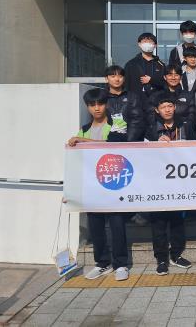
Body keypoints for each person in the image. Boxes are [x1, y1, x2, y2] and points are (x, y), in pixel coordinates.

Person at [67, 88, 129, 281]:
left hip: (114, 182)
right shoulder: (84, 129)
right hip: (92, 186)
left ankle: (121, 264)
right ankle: (102, 263)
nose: (96, 108)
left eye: (100, 103)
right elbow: (77, 162)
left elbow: (113, 144)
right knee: (95, 226)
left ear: (106, 104)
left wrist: (81, 140)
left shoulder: (118, 123)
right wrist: (71, 190)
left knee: (117, 224)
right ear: (87, 107)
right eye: (92, 105)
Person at [145, 93, 192, 275]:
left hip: (180, 181)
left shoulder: (185, 125)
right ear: (157, 110)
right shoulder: (150, 129)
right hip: (157, 182)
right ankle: (161, 259)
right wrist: (156, 143)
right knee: (158, 222)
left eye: (170, 106)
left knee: (177, 221)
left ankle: (176, 255)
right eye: (163, 106)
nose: (167, 109)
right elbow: (142, 152)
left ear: (175, 107)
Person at [147, 64, 196, 140]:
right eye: (170, 75)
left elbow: (192, 117)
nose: (173, 78)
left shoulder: (188, 95)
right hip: (162, 135)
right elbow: (151, 117)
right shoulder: (155, 95)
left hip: (183, 134)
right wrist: (159, 134)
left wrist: (183, 128)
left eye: (176, 75)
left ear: (181, 77)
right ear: (165, 77)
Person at [104, 65, 145, 141]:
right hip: (106, 140)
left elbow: (136, 121)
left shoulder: (132, 97)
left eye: (120, 76)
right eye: (113, 76)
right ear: (106, 79)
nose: (117, 79)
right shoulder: (102, 97)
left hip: (128, 141)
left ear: (124, 79)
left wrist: (127, 141)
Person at [124, 32, 165, 97]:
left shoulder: (161, 65)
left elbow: (165, 83)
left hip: (156, 100)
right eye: (145, 41)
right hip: (136, 100)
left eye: (150, 42)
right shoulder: (131, 64)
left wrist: (152, 80)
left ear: (155, 45)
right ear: (139, 44)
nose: (147, 44)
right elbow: (126, 84)